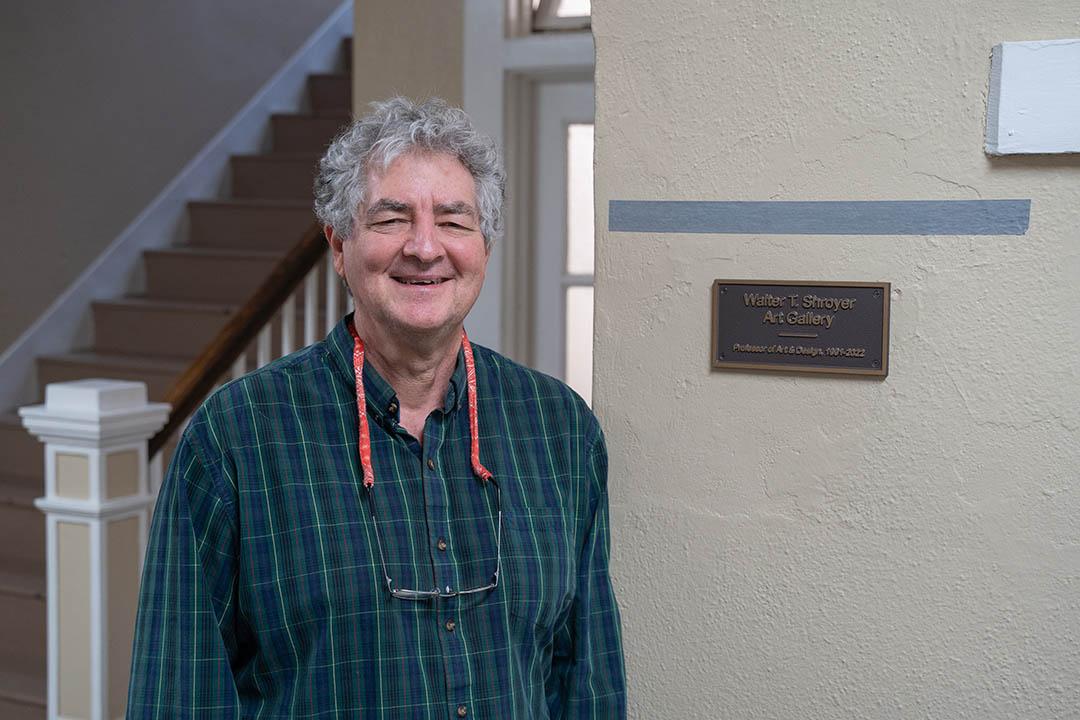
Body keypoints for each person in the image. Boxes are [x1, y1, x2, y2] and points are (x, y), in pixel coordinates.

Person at [127, 96, 626, 719]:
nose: (424, 247)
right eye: (392, 219)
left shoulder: (560, 431)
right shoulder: (236, 437)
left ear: (485, 247)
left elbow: (588, 685)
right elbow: (179, 695)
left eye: (453, 220)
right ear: (339, 246)